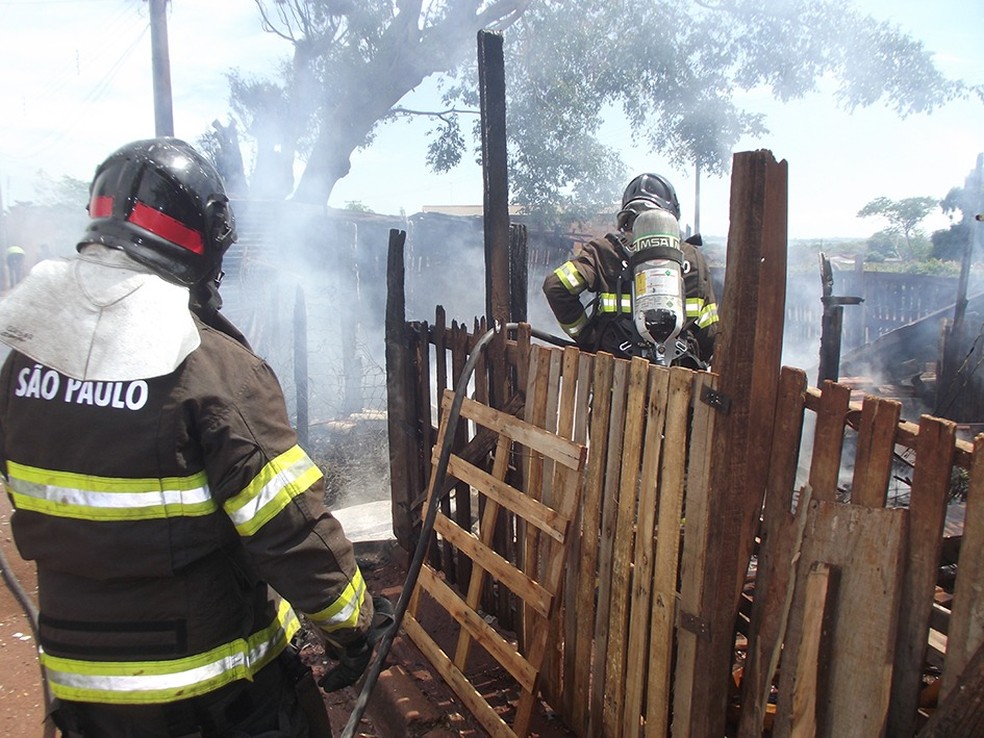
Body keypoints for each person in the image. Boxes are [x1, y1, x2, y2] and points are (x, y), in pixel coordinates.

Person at [0, 138, 378, 737]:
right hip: (215, 697)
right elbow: (289, 528)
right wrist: (353, 626)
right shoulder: (212, 369)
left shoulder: (26, 363)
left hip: (84, 697)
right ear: (202, 238)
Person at [542, 173, 719, 368]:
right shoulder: (693, 257)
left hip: (612, 374)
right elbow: (709, 331)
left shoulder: (605, 250)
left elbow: (556, 286)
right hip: (677, 377)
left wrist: (587, 336)